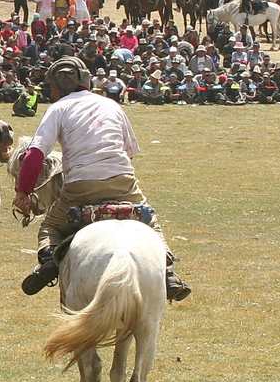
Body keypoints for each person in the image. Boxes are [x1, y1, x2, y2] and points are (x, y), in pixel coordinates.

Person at [13, 57, 190, 301]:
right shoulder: (112, 105)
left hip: (79, 188)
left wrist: (23, 192)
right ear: (85, 80)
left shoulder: (58, 108)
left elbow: (34, 155)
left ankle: (49, 263)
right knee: (151, 221)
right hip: (122, 182)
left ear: (56, 86)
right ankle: (168, 271)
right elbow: (129, 152)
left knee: (50, 227)